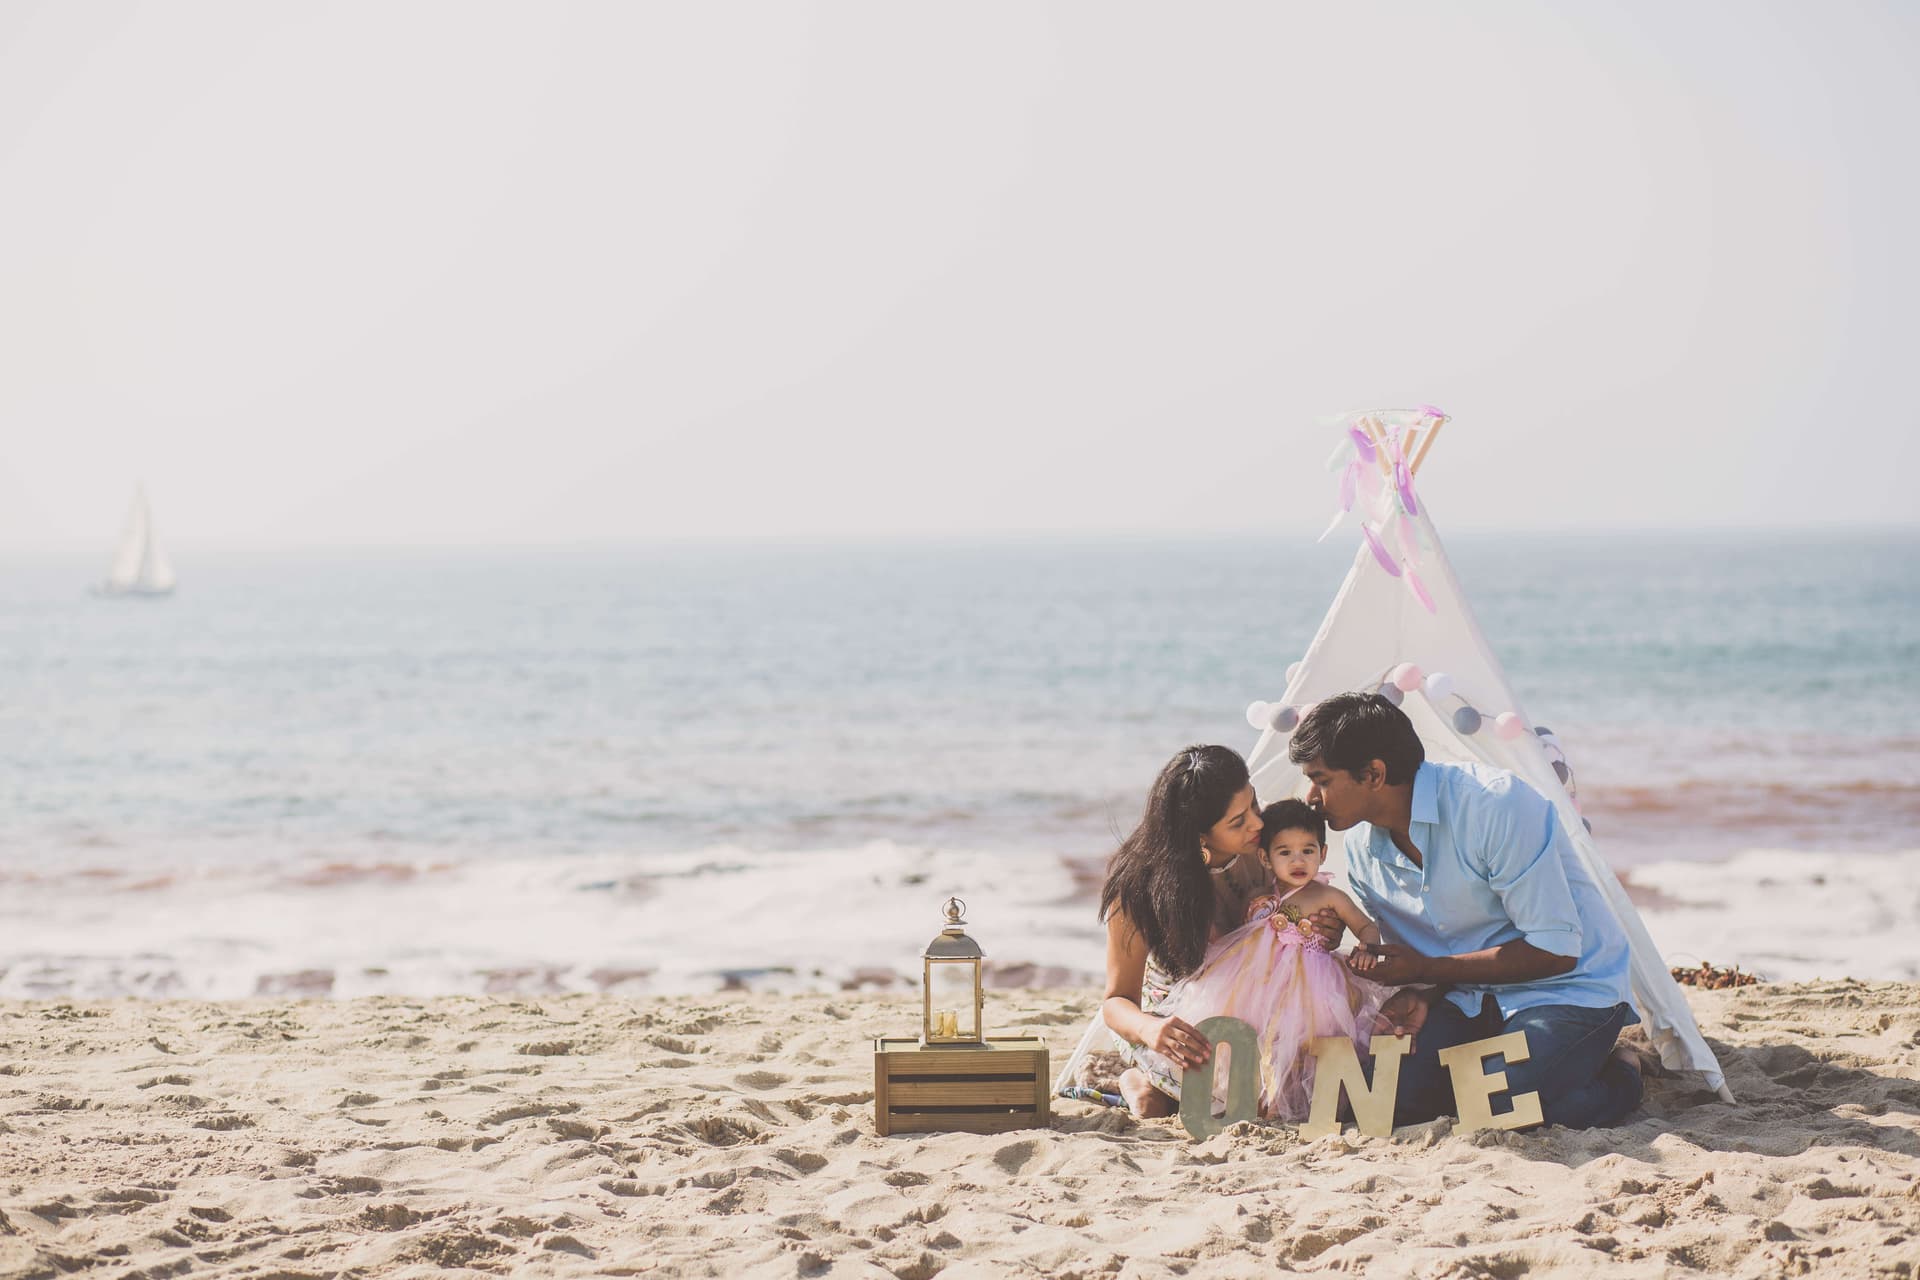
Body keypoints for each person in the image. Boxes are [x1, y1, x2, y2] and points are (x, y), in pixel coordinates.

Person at [1290, 692, 1645, 1129]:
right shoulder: (1363, 853)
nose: (1310, 796)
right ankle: (1557, 1069)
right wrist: (1423, 991)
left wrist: (1429, 969)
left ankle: (1624, 1071)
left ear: (1374, 774)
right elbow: (1433, 956)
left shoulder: (1494, 806)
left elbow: (1556, 952)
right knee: (1387, 1103)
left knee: (1497, 1104)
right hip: (1470, 995)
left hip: (1567, 989)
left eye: (1320, 779)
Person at [1098, 745, 1344, 1118]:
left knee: (1291, 1096)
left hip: (1262, 1004)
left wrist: (1325, 930)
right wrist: (1152, 1030)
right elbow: (1116, 1002)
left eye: (1254, 806)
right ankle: (1141, 1081)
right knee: (1159, 1108)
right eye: (1237, 822)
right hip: (1175, 1018)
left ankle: (1164, 1091)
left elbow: (1303, 910)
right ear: (1199, 837)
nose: (1257, 825)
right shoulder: (1137, 887)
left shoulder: (1266, 849)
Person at [1131, 798, 1390, 1119]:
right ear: (1266, 859)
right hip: (1260, 977)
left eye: (1308, 851)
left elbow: (1366, 925)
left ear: (1323, 854)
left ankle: (1286, 1099)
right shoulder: (1258, 894)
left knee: (1302, 1040)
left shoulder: (1329, 896)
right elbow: (1245, 934)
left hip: (1312, 982)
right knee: (1255, 1034)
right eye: (1285, 852)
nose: (1298, 860)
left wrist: (1366, 947)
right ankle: (1252, 1093)